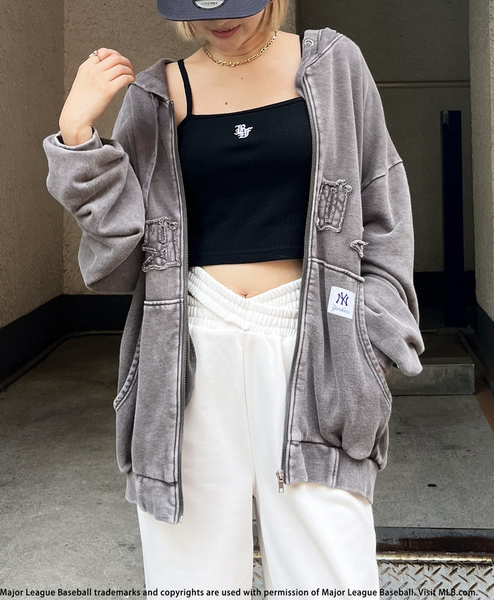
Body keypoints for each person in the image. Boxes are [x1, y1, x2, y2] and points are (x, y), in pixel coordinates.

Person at [43, 0, 425, 594]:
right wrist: (78, 137)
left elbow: (383, 207)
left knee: (331, 570)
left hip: (315, 342)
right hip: (189, 346)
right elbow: (119, 257)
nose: (220, 17)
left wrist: (373, 332)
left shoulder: (333, 63)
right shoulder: (157, 94)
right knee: (190, 577)